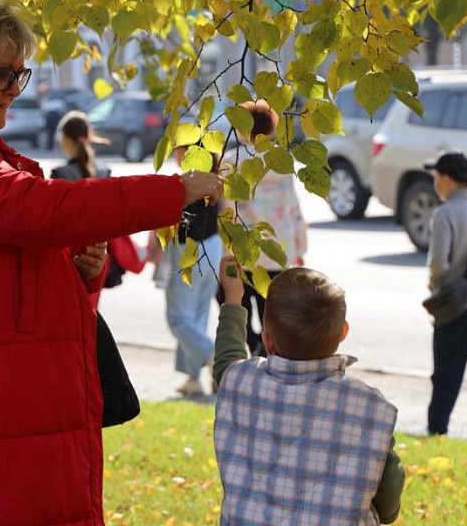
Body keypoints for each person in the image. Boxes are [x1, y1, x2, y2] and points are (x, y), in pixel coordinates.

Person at [0, 0, 223, 525]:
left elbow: (9, 263)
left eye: (19, 75)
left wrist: (81, 272)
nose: (12, 91)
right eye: (2, 74)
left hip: (5, 418)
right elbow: (36, 210)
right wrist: (171, 193)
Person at [213, 258, 405, 525]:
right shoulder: (370, 408)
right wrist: (388, 512)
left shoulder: (243, 382)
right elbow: (389, 490)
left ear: (268, 341)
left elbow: (226, 359)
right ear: (343, 332)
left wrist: (233, 299)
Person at [218, 99, 308, 356]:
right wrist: (299, 245)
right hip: (279, 248)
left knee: (234, 304)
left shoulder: (232, 160)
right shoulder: (281, 159)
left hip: (243, 251)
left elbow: (227, 210)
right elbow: (293, 207)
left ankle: (253, 345)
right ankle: (270, 355)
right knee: (271, 311)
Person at [50, 111, 146, 307]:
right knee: (91, 312)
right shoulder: (105, 172)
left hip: (72, 256)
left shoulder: (60, 174)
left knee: (73, 312)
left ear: (66, 139)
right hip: (101, 256)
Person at [423, 151, 467, 436]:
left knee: (446, 375)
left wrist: (433, 284)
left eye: (436, 177)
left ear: (446, 179)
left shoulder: (444, 214)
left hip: (454, 309)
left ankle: (437, 429)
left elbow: (439, 264)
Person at [164, 145, 223, 397]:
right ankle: (192, 378)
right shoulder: (214, 179)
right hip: (214, 247)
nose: (174, 155)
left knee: (179, 319)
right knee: (196, 317)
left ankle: (214, 357)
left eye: (178, 150)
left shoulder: (187, 184)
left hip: (190, 250)